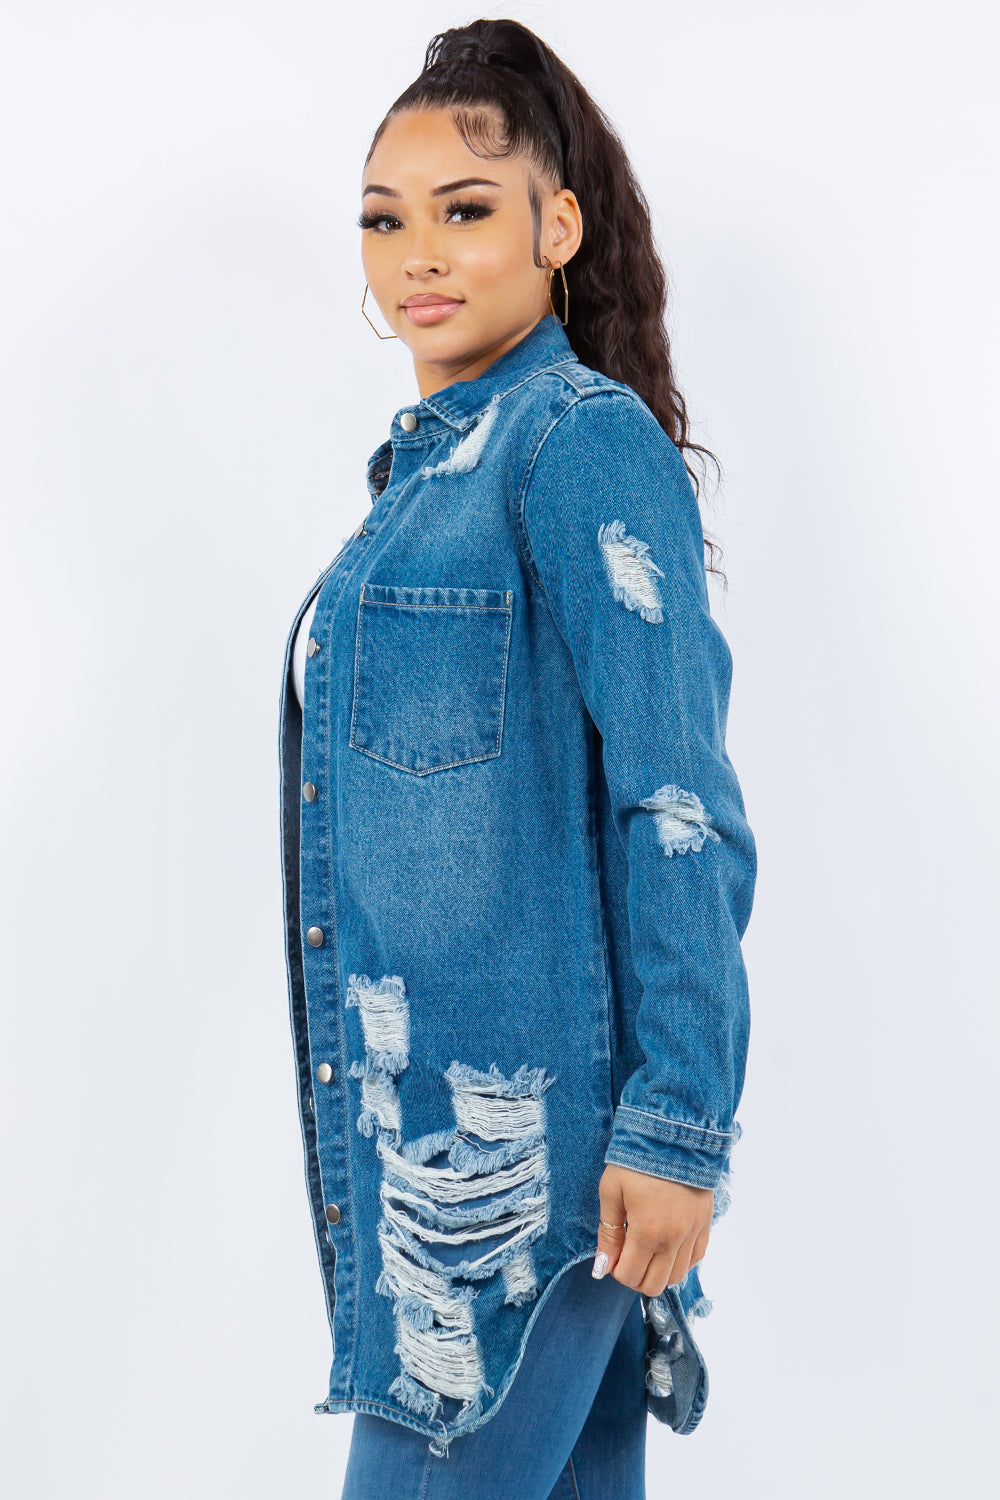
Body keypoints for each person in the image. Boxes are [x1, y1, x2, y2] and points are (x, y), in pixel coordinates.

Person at [277, 18, 757, 1500]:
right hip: (425, 1168)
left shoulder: (574, 445)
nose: (418, 251)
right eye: (385, 218)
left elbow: (676, 803)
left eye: (466, 209)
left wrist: (680, 1122)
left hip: (511, 1206)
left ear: (558, 226)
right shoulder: (416, 487)